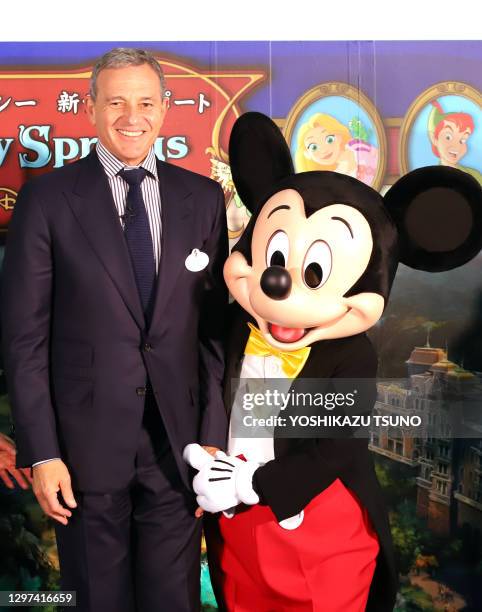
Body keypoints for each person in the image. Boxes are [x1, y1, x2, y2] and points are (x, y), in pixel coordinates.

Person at [1, 48, 228, 612]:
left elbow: (215, 333)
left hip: (181, 451)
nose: (133, 116)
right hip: (81, 450)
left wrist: (215, 442)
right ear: (91, 109)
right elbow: (24, 339)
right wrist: (42, 452)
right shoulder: (48, 200)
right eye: (117, 102)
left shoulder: (201, 199)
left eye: (146, 102)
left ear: (165, 109)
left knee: (172, 601)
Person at [428, 99, 482, 185]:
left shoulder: (476, 176)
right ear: (434, 138)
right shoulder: (429, 180)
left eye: (462, 140)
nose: (456, 146)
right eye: (448, 137)